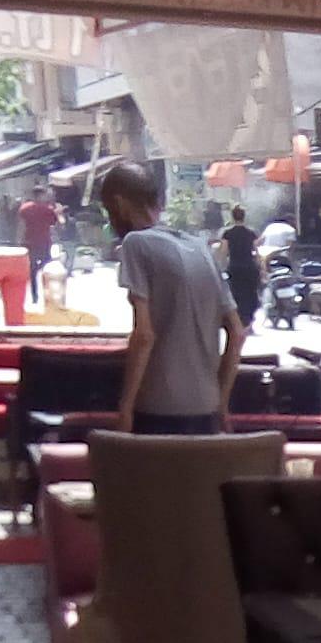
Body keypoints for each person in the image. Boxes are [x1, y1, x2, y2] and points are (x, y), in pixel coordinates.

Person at [99, 159, 242, 437]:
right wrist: (222, 403)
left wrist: (125, 408)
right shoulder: (201, 249)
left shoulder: (135, 243)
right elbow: (236, 333)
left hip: (158, 409)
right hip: (206, 410)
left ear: (119, 204)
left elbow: (144, 335)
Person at [17, 185, 60, 305]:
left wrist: (19, 241)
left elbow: (21, 225)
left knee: (32, 270)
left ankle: (35, 296)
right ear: (42, 195)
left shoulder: (25, 208)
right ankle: (48, 293)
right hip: (44, 242)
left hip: (29, 242)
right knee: (47, 265)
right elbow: (54, 224)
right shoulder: (48, 209)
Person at [220, 203, 261, 331]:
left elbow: (223, 252)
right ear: (244, 216)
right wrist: (261, 267)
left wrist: (220, 267)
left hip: (235, 268)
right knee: (250, 294)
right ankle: (249, 322)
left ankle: (238, 322)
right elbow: (256, 252)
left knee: (236, 295)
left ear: (232, 217)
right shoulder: (251, 233)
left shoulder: (227, 233)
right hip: (249, 267)